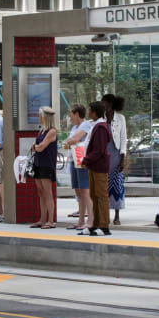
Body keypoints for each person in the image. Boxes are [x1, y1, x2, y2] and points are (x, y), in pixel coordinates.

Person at [81, 101, 112, 236]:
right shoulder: (96, 126)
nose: (88, 112)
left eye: (89, 110)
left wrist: (86, 160)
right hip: (94, 166)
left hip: (99, 166)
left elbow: (99, 150)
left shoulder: (100, 127)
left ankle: (104, 226)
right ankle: (95, 224)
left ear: (95, 112)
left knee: (101, 196)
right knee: (94, 195)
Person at [62, 103, 93, 231]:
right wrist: (69, 142)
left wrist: (70, 142)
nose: (69, 117)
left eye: (71, 114)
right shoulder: (75, 127)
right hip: (73, 160)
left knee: (85, 191)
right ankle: (80, 220)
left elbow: (73, 140)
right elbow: (67, 143)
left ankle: (90, 220)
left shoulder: (85, 124)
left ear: (76, 114)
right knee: (78, 191)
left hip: (81, 160)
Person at [102, 94, 128, 225]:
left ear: (111, 103)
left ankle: (117, 214)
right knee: (103, 185)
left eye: (104, 102)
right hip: (102, 154)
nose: (103, 105)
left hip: (115, 153)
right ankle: (104, 213)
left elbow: (123, 139)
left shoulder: (120, 118)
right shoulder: (100, 118)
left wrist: (122, 158)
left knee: (116, 183)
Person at [31, 106, 58, 229]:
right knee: (41, 192)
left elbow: (41, 147)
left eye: (39, 115)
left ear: (45, 117)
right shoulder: (41, 130)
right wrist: (36, 146)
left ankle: (51, 220)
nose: (38, 117)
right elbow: (38, 146)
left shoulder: (52, 131)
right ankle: (42, 219)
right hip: (38, 162)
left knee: (48, 193)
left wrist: (35, 147)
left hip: (47, 164)